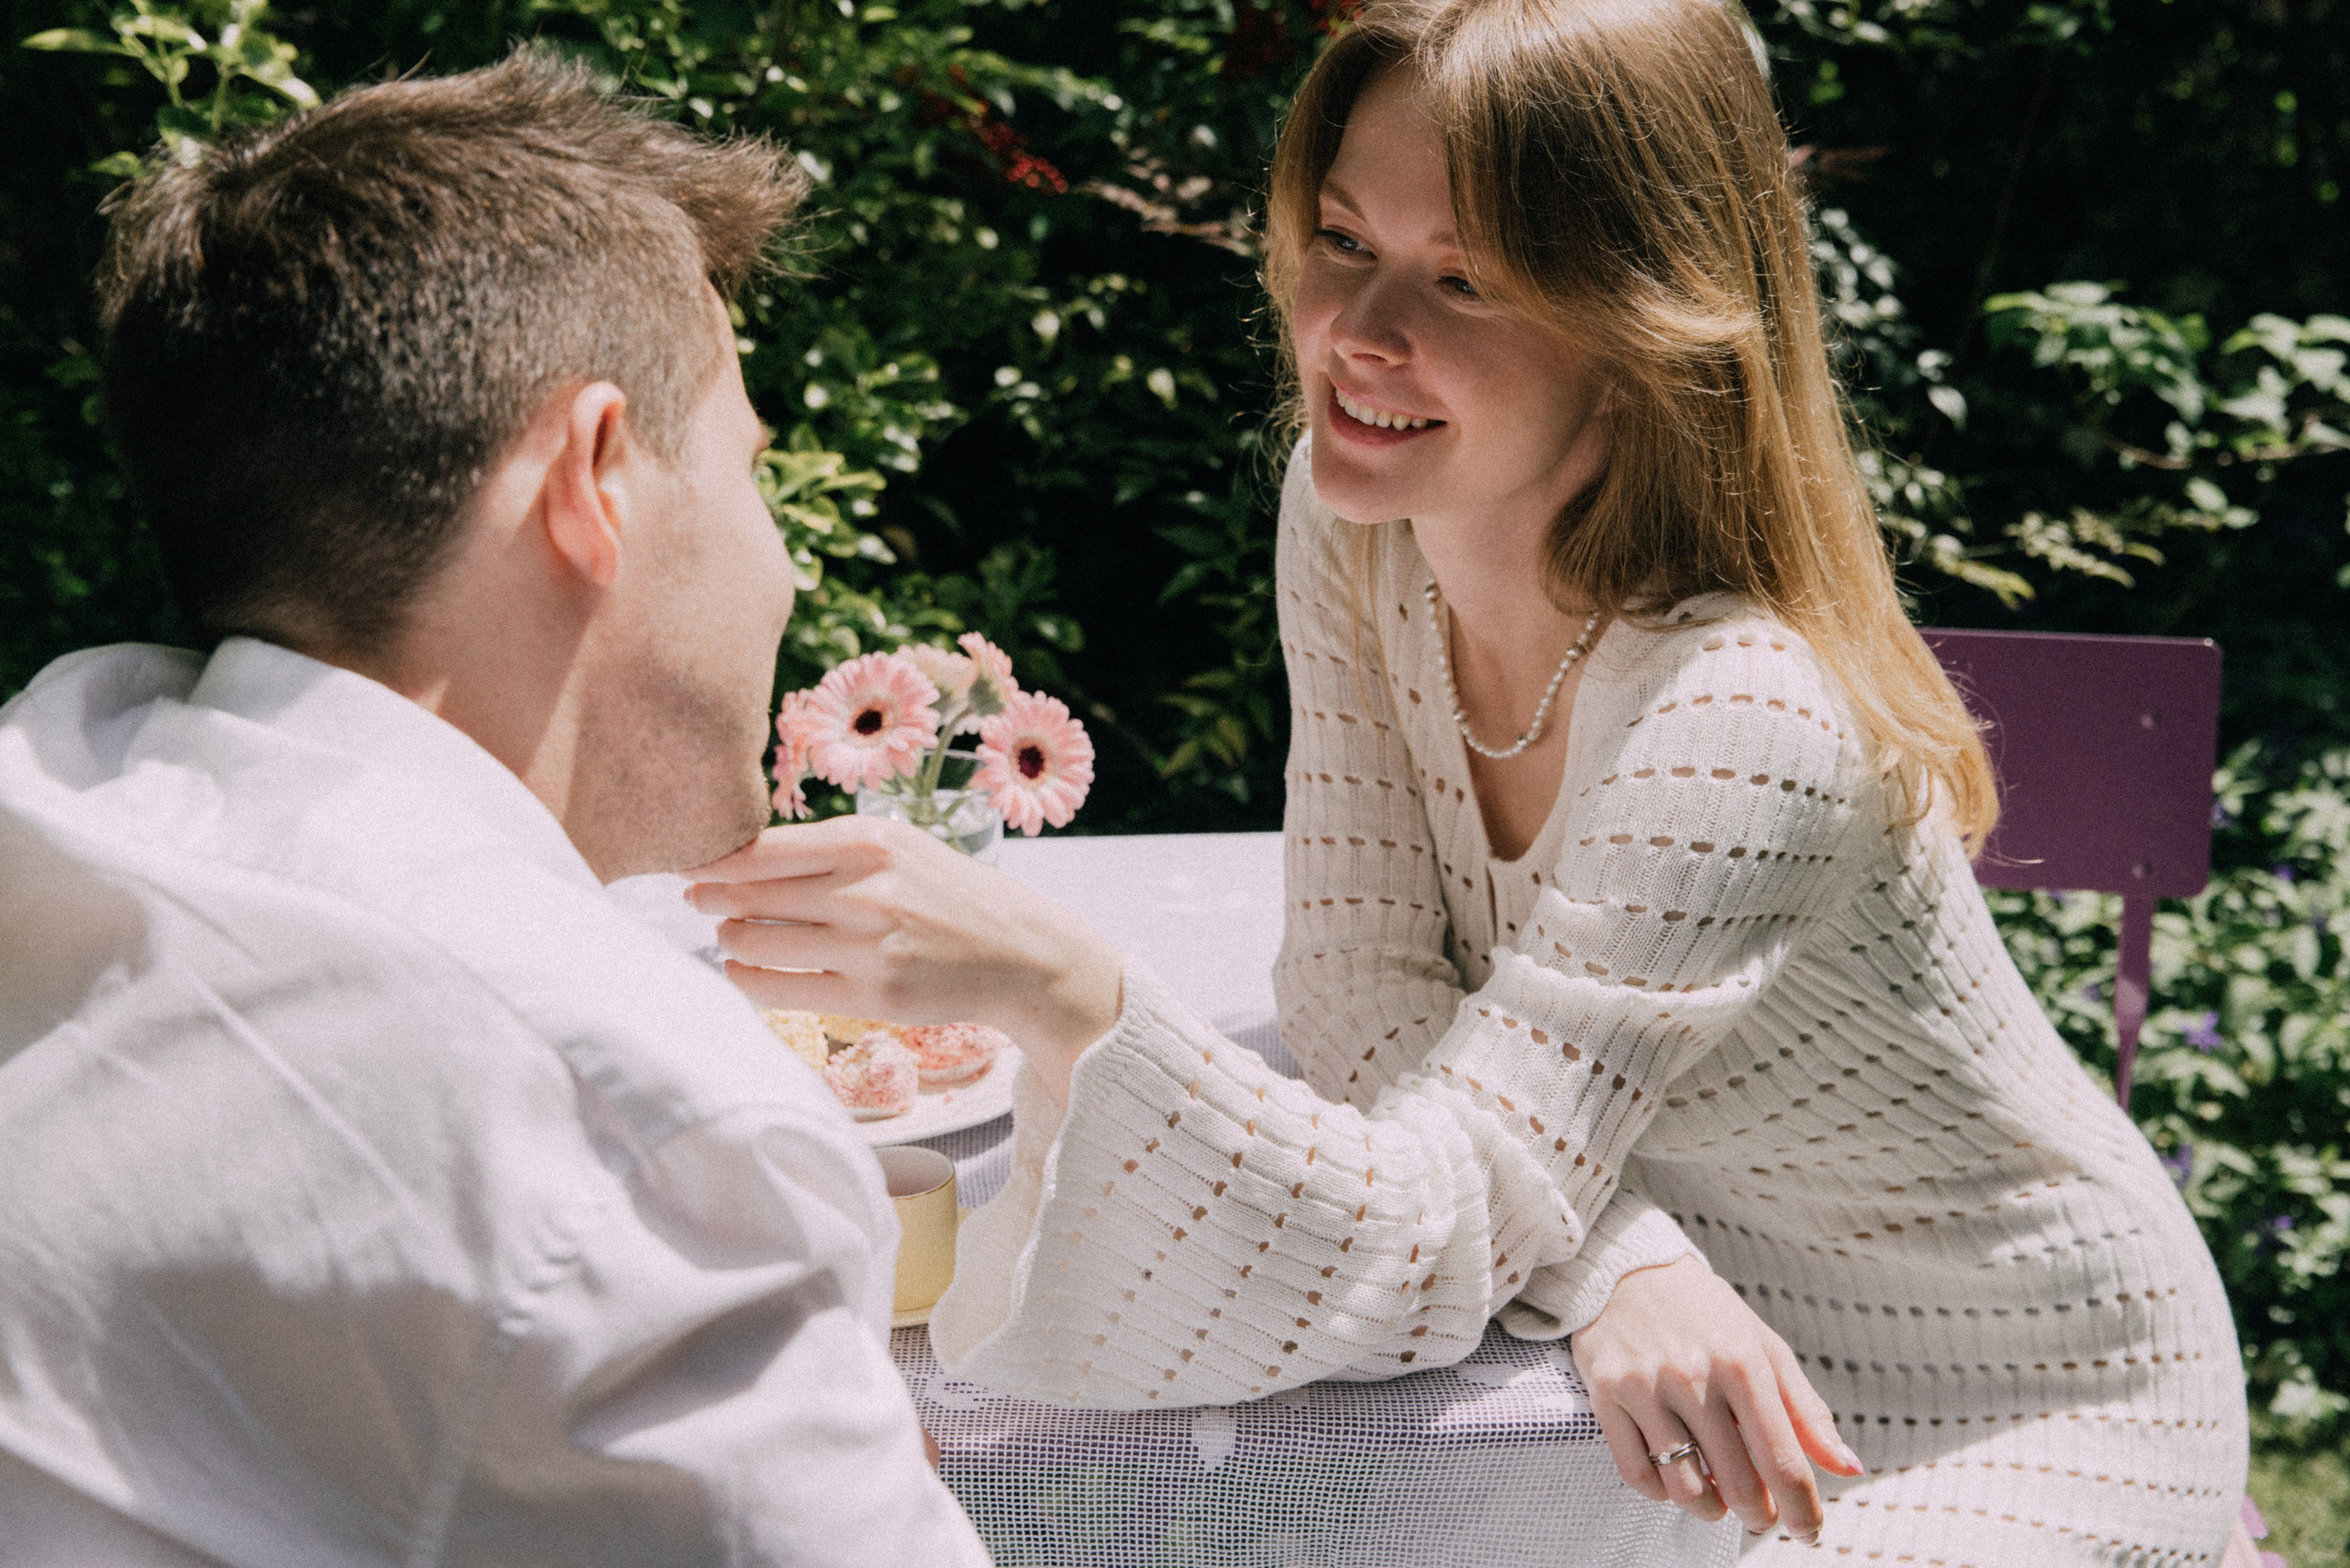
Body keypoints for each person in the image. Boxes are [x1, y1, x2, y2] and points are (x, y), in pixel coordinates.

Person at [686, 0, 2255, 1561]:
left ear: (1643, 325)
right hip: (1695, 1329)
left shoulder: (1742, 713)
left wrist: (1059, 990)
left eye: (1465, 280)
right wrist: (1625, 1261)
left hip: (2023, 1391)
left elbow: (1453, 1197)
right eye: (1343, 239)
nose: (1360, 334)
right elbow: (1364, 986)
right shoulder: (1360, 511)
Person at [0, 56, 990, 1564]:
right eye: (747, 472)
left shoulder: (54, 780)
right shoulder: (630, 1143)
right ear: (594, 477)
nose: (782, 568)